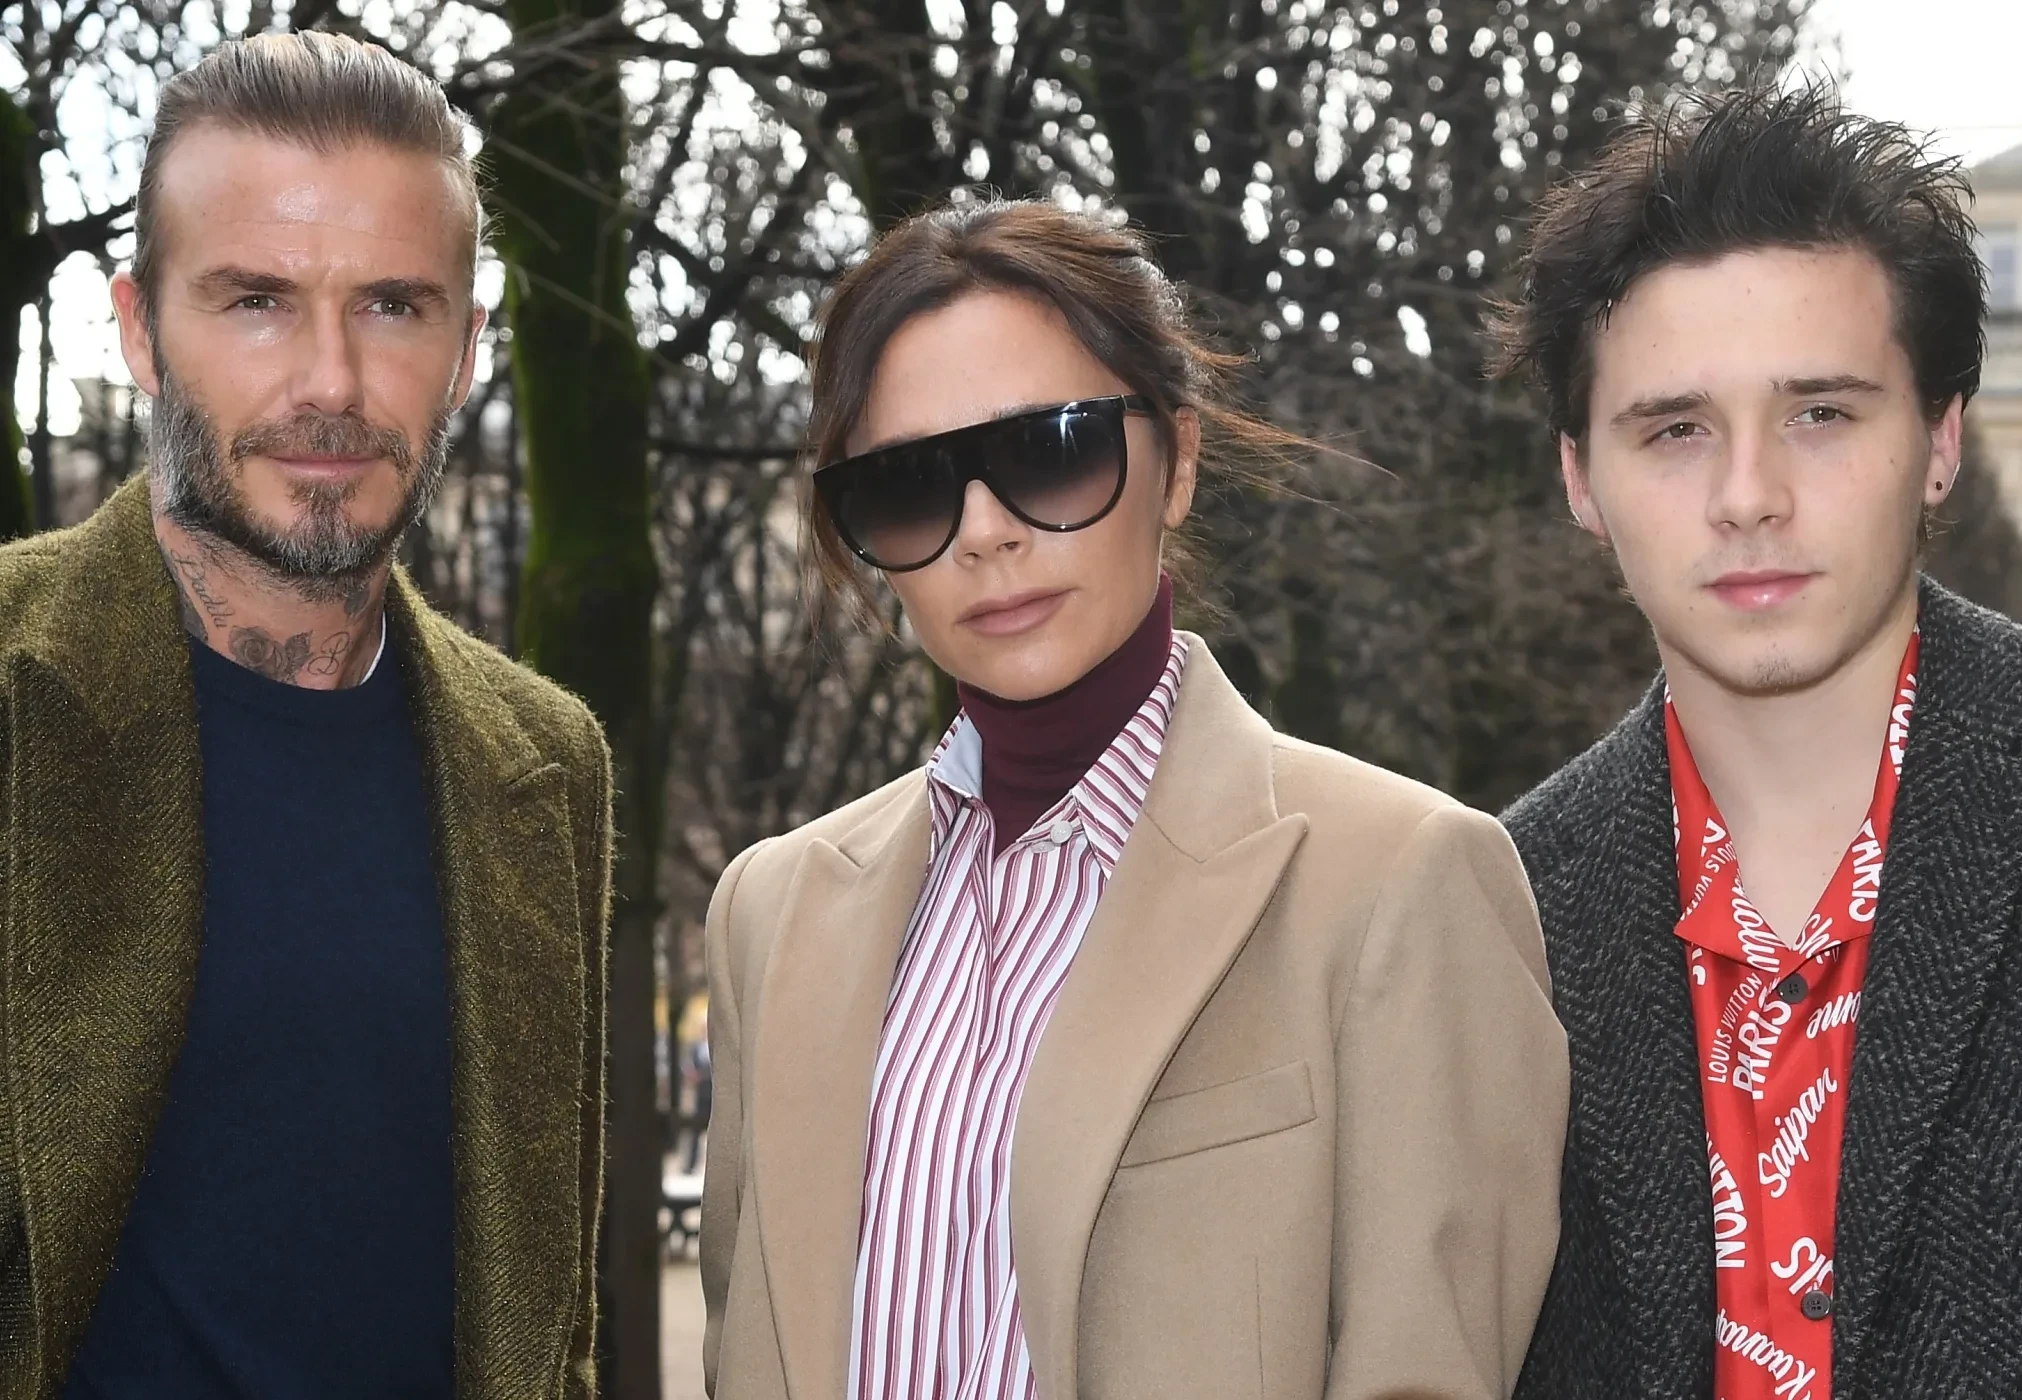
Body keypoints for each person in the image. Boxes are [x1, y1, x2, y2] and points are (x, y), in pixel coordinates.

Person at [699, 199, 1568, 1400]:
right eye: (907, 486)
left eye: (1052, 449)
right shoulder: (768, 912)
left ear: (1178, 462)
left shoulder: (1400, 882)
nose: (984, 532)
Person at [0, 33, 610, 1399]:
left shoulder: (544, 761)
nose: (331, 382)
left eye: (393, 305)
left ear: (466, 348)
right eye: (258, 301)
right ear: (141, 331)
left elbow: (543, 1320)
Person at [1490, 85, 2012, 1399]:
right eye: (1674, 429)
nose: (1746, 496)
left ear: (1938, 439)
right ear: (1579, 479)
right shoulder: (1495, 917)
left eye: (1820, 413)